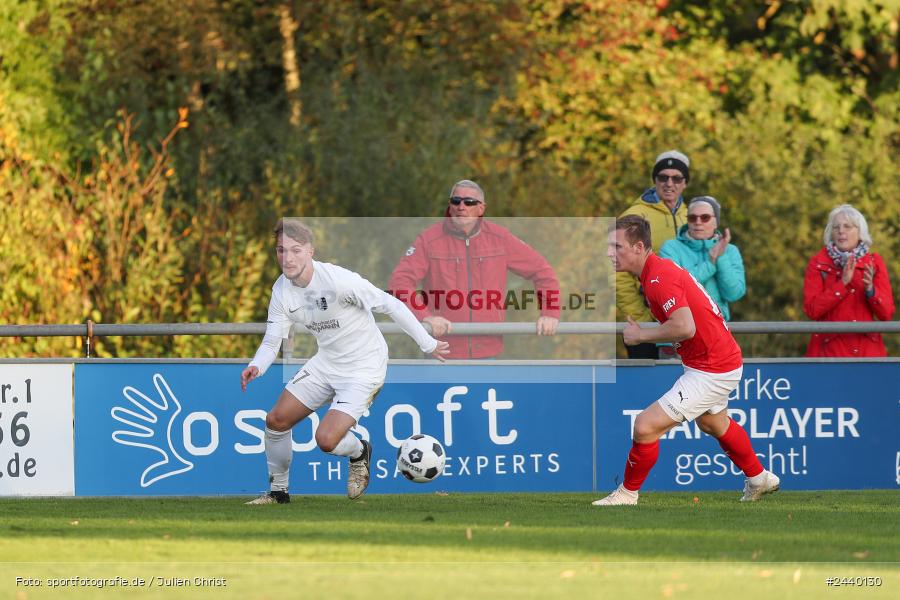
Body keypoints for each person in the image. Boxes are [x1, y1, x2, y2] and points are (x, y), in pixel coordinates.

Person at [241, 218, 450, 504]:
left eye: (295, 249)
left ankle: (359, 451)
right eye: (281, 250)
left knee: (326, 440)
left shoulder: (339, 281)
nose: (287, 258)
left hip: (364, 367)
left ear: (311, 251)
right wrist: (257, 366)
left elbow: (390, 304)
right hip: (326, 362)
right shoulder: (281, 290)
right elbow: (272, 339)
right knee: (275, 420)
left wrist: (427, 343)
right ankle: (279, 492)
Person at [594, 215, 780, 506]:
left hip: (713, 367)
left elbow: (685, 326)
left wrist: (639, 335)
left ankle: (627, 494)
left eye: (616, 246)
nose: (609, 253)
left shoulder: (658, 278)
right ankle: (759, 478)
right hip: (712, 361)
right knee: (713, 424)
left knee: (644, 426)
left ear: (639, 247)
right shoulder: (656, 272)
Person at [388, 179, 560, 359]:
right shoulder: (428, 240)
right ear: (450, 205)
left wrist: (550, 313)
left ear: (481, 209)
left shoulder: (500, 238)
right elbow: (399, 283)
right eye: (456, 201)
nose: (461, 207)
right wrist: (425, 316)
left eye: (469, 202)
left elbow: (543, 273)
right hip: (441, 351)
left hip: (488, 352)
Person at [617, 150, 691, 359]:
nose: (669, 183)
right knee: (646, 388)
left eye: (676, 178)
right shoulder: (635, 216)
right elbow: (615, 270)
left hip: (683, 321)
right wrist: (640, 317)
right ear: (655, 180)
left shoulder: (693, 216)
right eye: (663, 177)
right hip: (647, 323)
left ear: (685, 182)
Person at [803, 204, 895, 357]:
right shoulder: (817, 263)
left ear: (860, 232)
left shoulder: (875, 262)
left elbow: (886, 314)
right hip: (828, 354)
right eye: (836, 227)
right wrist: (842, 284)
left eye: (847, 226)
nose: (841, 231)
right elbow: (812, 310)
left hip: (868, 355)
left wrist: (870, 291)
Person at [659, 196, 745, 321]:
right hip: (678, 328)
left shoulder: (730, 250)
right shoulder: (670, 248)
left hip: (715, 328)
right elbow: (675, 289)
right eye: (692, 218)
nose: (698, 222)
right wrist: (710, 264)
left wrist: (720, 257)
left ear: (716, 222)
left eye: (705, 217)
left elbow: (733, 294)